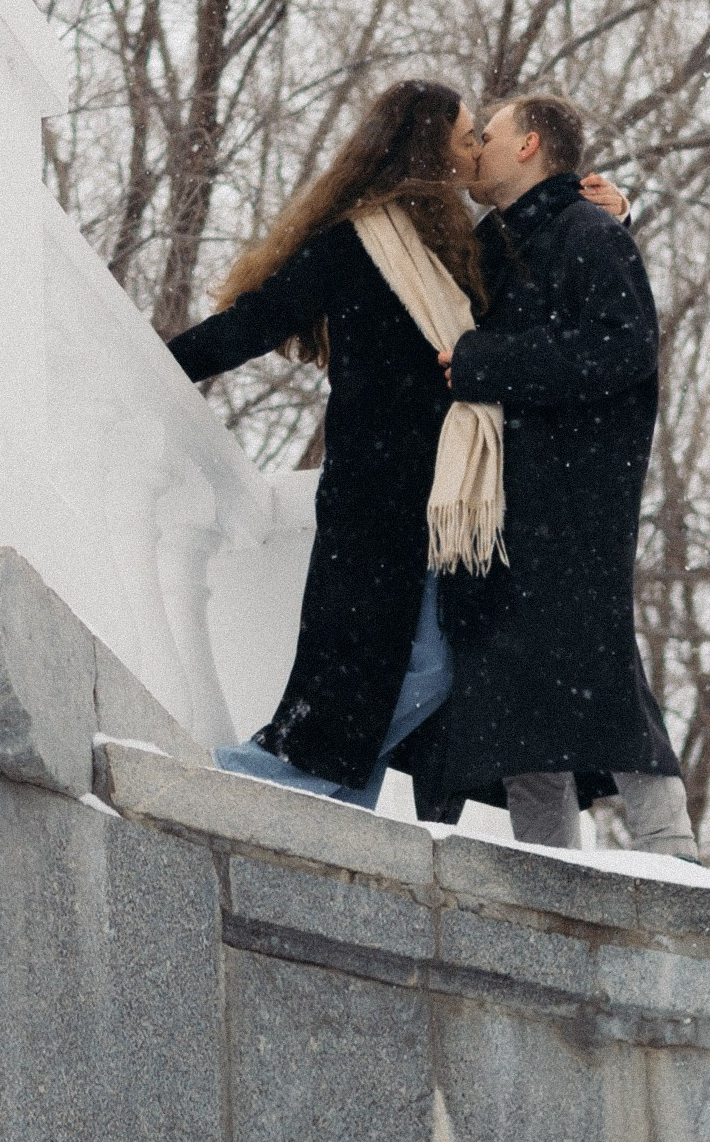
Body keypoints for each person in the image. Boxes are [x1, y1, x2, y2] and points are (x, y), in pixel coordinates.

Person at [165, 81, 627, 806]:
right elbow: (255, 321)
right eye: (468, 134)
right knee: (379, 678)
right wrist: (161, 358)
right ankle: (263, 775)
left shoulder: (456, 250)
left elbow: (544, 264)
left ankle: (310, 794)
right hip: (374, 502)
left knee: (419, 676)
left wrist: (605, 211)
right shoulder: (353, 244)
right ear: (429, 142)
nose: (477, 147)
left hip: (447, 502)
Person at [408, 94, 697, 859]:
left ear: (531, 144)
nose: (479, 148)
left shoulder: (590, 234)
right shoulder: (499, 244)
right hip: (507, 511)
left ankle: (681, 864)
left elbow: (621, 349)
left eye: (490, 134)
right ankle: (550, 873)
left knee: (602, 679)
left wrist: (484, 365)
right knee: (519, 706)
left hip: (573, 511)